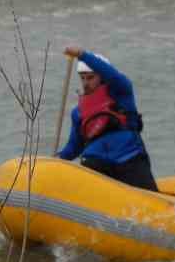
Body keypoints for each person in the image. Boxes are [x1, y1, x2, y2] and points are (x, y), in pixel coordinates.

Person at [56, 46, 158, 191]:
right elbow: (73, 147)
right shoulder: (78, 112)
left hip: (128, 158)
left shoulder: (122, 93)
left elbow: (113, 75)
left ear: (103, 77)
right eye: (82, 78)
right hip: (96, 163)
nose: (85, 83)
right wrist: (56, 160)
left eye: (90, 77)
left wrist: (82, 55)